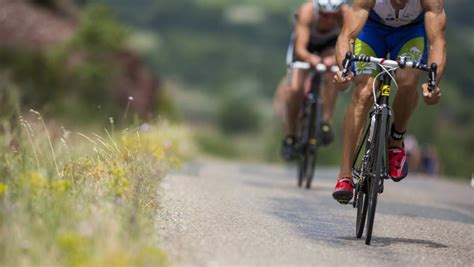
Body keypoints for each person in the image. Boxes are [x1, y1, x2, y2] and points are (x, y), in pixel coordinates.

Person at [332, 0, 446, 203]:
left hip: (411, 33)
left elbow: (437, 42)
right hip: (371, 30)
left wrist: (432, 84)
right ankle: (345, 175)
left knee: (408, 82)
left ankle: (396, 140)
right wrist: (344, 72)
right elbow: (346, 36)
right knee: (364, 92)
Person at [278, 0, 349, 161]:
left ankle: (325, 122)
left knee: (333, 75)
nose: (329, 20)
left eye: (333, 16)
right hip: (306, 47)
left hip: (330, 47)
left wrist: (334, 60)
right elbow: (300, 49)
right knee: (294, 89)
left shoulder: (346, 14)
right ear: (318, 11)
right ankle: (290, 136)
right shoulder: (307, 11)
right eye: (324, 15)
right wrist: (311, 58)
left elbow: (348, 43)